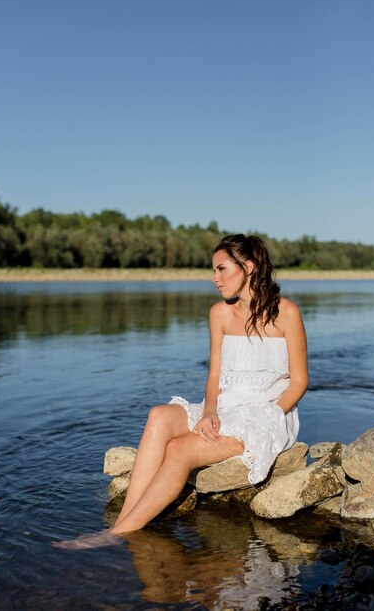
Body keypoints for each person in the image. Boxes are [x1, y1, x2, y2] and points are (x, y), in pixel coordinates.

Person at [53, 234, 308, 549]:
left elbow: (299, 382)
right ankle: (128, 518)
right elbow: (215, 374)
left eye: (222, 269)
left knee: (179, 450)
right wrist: (211, 412)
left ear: (249, 267)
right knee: (159, 415)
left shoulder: (287, 313)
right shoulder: (219, 314)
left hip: (265, 415)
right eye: (213, 271)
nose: (214, 279)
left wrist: (267, 417)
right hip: (225, 407)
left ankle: (115, 534)